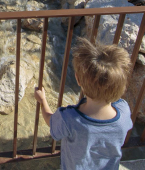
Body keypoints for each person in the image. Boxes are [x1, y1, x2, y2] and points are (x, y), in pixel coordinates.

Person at [34, 39, 132, 170]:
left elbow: (50, 120)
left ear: (78, 79)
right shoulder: (124, 111)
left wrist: (43, 101)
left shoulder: (69, 118)